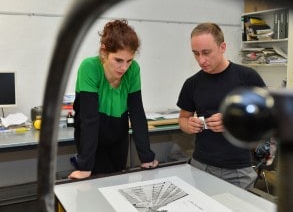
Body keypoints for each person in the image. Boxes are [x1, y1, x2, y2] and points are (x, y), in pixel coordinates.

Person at [176, 22, 266, 189]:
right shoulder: (192, 84)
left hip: (237, 170)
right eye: (195, 54)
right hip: (200, 166)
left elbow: (267, 118)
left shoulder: (247, 77)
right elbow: (183, 119)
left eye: (206, 52)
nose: (201, 60)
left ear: (222, 47)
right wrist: (188, 125)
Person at [68, 19, 158, 179]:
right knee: (97, 185)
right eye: (118, 60)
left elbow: (137, 114)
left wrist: (146, 157)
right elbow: (89, 120)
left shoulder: (133, 70)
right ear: (104, 52)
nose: (124, 67)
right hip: (91, 135)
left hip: (118, 134)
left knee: (117, 181)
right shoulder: (89, 67)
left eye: (129, 61)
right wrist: (85, 166)